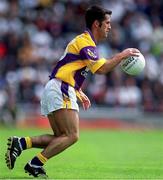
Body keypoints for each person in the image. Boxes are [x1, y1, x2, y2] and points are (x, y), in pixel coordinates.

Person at [5, 5, 140, 178]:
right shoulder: (86, 42)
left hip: (57, 86)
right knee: (72, 136)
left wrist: (77, 90)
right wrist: (122, 55)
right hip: (61, 88)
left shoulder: (84, 41)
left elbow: (70, 67)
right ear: (96, 24)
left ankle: (21, 143)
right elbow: (101, 69)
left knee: (60, 136)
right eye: (107, 23)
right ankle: (35, 164)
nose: (110, 26)